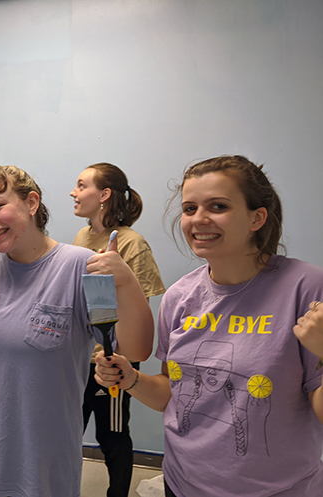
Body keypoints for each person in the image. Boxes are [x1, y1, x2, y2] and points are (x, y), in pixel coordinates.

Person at [95, 155, 323, 496]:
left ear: (256, 218)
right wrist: (132, 379)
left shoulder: (305, 287)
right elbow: (174, 393)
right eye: (189, 209)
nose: (199, 220)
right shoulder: (180, 296)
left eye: (217, 206)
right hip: (184, 483)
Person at [0, 165, 153, 497]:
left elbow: (136, 349)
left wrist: (126, 281)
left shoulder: (80, 266)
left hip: (39, 458)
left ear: (31, 202)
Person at [69, 163, 165, 497]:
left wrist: (112, 358)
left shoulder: (132, 244)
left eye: (82, 185)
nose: (74, 192)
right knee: (69, 429)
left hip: (113, 361)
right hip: (80, 358)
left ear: (104, 195)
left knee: (112, 435)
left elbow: (138, 316)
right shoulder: (82, 237)